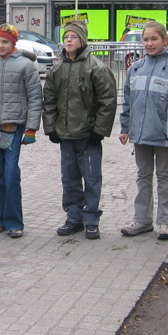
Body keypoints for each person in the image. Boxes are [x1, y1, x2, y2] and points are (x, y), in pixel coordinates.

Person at [43, 20, 116, 240]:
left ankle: (91, 219)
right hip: (65, 135)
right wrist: (50, 127)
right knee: (69, 178)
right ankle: (73, 217)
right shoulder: (57, 68)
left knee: (92, 178)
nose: (68, 40)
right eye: (66, 37)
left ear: (82, 40)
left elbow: (107, 101)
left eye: (73, 37)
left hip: (88, 135)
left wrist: (99, 130)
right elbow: (49, 99)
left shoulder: (96, 68)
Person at [118, 22, 168, 241]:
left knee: (164, 177)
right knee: (143, 177)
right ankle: (142, 219)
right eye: (146, 39)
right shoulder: (135, 68)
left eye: (154, 39)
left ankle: (164, 222)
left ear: (165, 41)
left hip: (164, 136)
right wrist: (125, 127)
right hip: (140, 134)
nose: (149, 43)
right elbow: (128, 101)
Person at [0, 24, 42, 239]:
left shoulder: (26, 65)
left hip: (14, 127)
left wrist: (31, 129)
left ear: (13, 43)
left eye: (5, 42)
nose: (0, 45)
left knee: (11, 174)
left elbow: (35, 98)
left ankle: (14, 222)